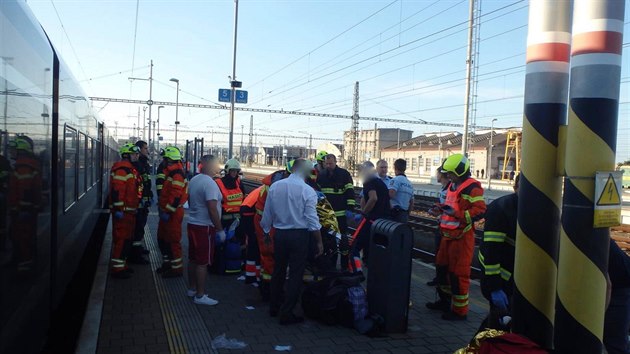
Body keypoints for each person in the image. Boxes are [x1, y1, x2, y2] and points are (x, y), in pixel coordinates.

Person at [261, 158, 323, 325]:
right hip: (299, 236)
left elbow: (267, 214)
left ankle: (274, 307)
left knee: (278, 271)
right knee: (295, 274)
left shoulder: (275, 186)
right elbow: (312, 219)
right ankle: (287, 313)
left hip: (280, 235)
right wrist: (319, 241)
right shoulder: (308, 191)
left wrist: (266, 232)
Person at [426, 153, 486, 321]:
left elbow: (480, 210)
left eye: (450, 173)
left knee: (458, 274)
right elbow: (450, 205)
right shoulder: (453, 184)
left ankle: (460, 311)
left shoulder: (472, 187)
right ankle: (445, 301)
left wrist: (458, 214)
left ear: (459, 172)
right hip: (447, 236)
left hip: (461, 238)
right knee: (442, 270)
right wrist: (439, 208)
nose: (447, 176)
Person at [478, 174, 519, 330]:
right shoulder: (501, 208)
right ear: (515, 188)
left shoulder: (540, 209)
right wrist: (495, 287)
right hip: (501, 278)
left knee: (505, 322)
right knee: (498, 325)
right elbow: (491, 251)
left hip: (517, 278)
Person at [186, 155, 224, 306]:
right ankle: (200, 296)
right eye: (216, 164)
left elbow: (189, 200)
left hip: (192, 223)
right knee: (202, 262)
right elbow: (212, 208)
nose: (218, 166)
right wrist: (220, 229)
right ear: (209, 165)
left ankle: (192, 289)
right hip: (205, 227)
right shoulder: (210, 183)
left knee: (193, 259)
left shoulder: (195, 179)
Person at [253, 167, 290, 300]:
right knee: (270, 254)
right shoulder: (276, 187)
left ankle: (268, 286)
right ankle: (268, 290)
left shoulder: (275, 183)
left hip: (265, 221)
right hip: (266, 223)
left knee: (269, 255)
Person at [108, 143, 142, 279]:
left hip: (129, 212)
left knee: (126, 240)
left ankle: (122, 265)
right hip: (124, 212)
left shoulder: (129, 170)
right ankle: (117, 269)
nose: (137, 156)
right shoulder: (123, 170)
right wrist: (118, 208)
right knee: (122, 240)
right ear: (127, 155)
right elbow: (117, 191)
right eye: (134, 154)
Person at [8, 136, 42, 274]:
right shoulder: (27, 166)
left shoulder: (23, 169)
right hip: (26, 210)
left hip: (23, 211)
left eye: (13, 149)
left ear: (20, 151)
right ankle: (22, 260)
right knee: (24, 236)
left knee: (23, 237)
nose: (11, 152)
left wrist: (20, 209)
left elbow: (25, 191)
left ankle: (25, 266)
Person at [317, 154, 355, 267]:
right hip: (326, 216)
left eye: (331, 163)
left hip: (341, 215)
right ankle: (331, 265)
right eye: (326, 164)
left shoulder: (344, 174)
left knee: (343, 241)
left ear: (335, 162)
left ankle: (344, 266)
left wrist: (350, 209)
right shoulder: (321, 175)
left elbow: (350, 192)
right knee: (329, 241)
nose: (328, 166)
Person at [157, 146, 188, 278]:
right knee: (163, 238)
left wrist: (168, 212)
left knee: (173, 240)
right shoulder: (172, 172)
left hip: (172, 213)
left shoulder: (177, 174)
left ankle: (177, 269)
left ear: (169, 159)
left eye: (164, 158)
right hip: (168, 212)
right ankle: (168, 264)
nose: (163, 161)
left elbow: (175, 196)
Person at [352, 161, 390, 268]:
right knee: (372, 245)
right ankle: (370, 266)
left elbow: (373, 198)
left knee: (355, 247)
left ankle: (357, 272)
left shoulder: (369, 181)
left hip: (372, 219)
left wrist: (363, 213)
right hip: (383, 221)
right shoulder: (380, 182)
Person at [214, 158, 244, 274]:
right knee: (221, 245)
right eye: (232, 171)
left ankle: (234, 266)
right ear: (227, 171)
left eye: (236, 171)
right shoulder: (218, 183)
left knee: (236, 245)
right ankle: (220, 265)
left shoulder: (239, 183)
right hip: (224, 220)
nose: (234, 174)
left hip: (237, 221)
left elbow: (244, 199)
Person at [604, 239, 630, 354]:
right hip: (617, 282)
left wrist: (599, 316)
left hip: (621, 285)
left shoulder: (592, 243)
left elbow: (608, 285)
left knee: (615, 343)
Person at [129, 140, 152, 264]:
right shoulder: (137, 164)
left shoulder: (142, 163)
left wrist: (149, 196)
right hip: (139, 202)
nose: (147, 151)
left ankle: (138, 249)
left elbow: (146, 182)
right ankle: (135, 255)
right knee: (137, 228)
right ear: (139, 149)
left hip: (143, 200)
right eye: (145, 148)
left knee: (141, 227)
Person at [427, 167, 450, 286]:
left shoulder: (450, 189)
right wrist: (437, 210)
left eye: (437, 173)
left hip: (446, 228)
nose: (436, 175)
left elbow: (450, 209)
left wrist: (439, 211)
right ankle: (439, 278)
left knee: (442, 255)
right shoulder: (444, 189)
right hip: (442, 225)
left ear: (442, 175)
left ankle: (443, 279)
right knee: (438, 254)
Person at [242, 185, 263, 284]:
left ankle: (250, 276)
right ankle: (256, 277)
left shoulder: (264, 187)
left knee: (252, 245)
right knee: (256, 245)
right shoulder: (269, 188)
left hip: (246, 212)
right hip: (249, 214)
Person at [388, 159, 414, 223]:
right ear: (405, 168)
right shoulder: (410, 184)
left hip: (394, 214)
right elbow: (412, 202)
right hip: (404, 215)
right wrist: (407, 214)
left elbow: (391, 195)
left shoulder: (395, 180)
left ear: (395, 168)